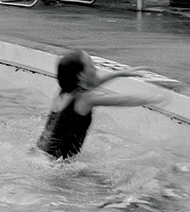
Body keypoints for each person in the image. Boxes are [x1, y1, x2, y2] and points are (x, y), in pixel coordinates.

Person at [35, 49, 164, 160]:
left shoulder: (64, 93)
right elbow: (122, 100)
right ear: (81, 76)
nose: (95, 68)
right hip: (53, 167)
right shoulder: (85, 99)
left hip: (38, 154)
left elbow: (91, 83)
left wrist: (121, 73)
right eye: (91, 66)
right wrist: (153, 98)